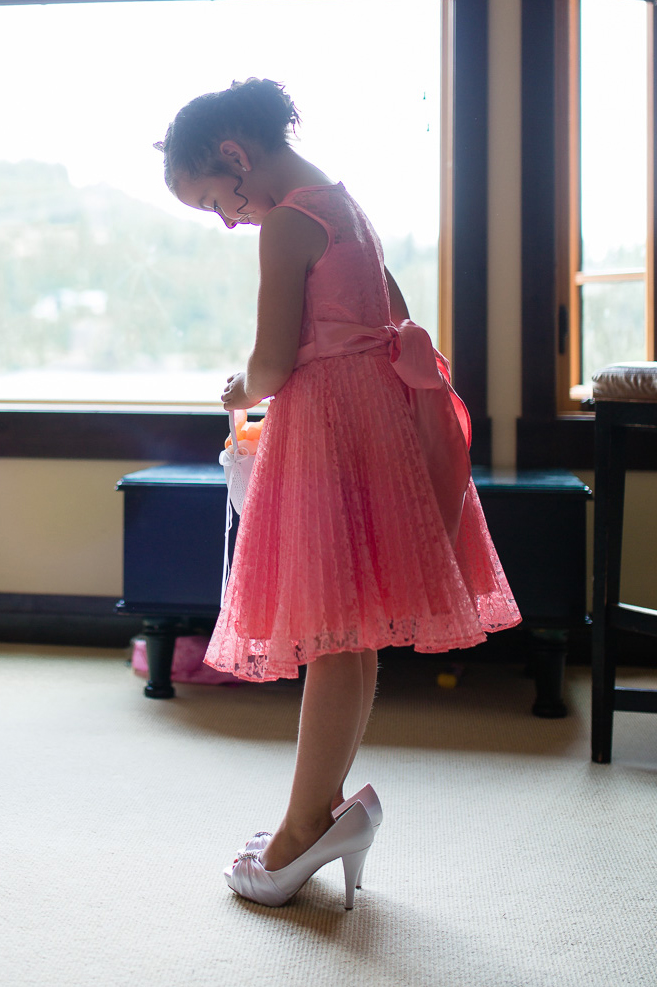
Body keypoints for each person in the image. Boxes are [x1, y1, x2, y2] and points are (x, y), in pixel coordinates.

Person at [158, 78, 519, 910]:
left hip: (326, 428)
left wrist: (236, 392)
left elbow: (275, 361)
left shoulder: (287, 224)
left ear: (236, 157)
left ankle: (298, 833)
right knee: (351, 635)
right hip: (375, 426)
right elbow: (389, 310)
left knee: (331, 633)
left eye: (216, 199)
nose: (226, 220)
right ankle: (316, 812)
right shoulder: (345, 205)